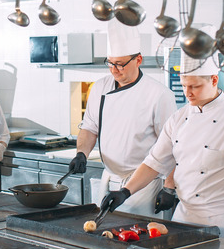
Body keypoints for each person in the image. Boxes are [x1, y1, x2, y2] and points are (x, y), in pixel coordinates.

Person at [100, 54, 224, 242]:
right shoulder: (178, 119)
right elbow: (153, 163)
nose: (187, 93)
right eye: (184, 86)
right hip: (184, 218)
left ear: (214, 80)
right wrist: (125, 191)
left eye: (195, 87)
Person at [68, 20, 176, 218]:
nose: (114, 70)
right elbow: (90, 127)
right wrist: (81, 152)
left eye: (120, 64)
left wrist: (169, 186)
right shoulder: (100, 87)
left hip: (143, 186)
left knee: (136, 240)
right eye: (110, 63)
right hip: (108, 180)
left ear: (139, 59)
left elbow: (172, 147)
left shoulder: (159, 95)